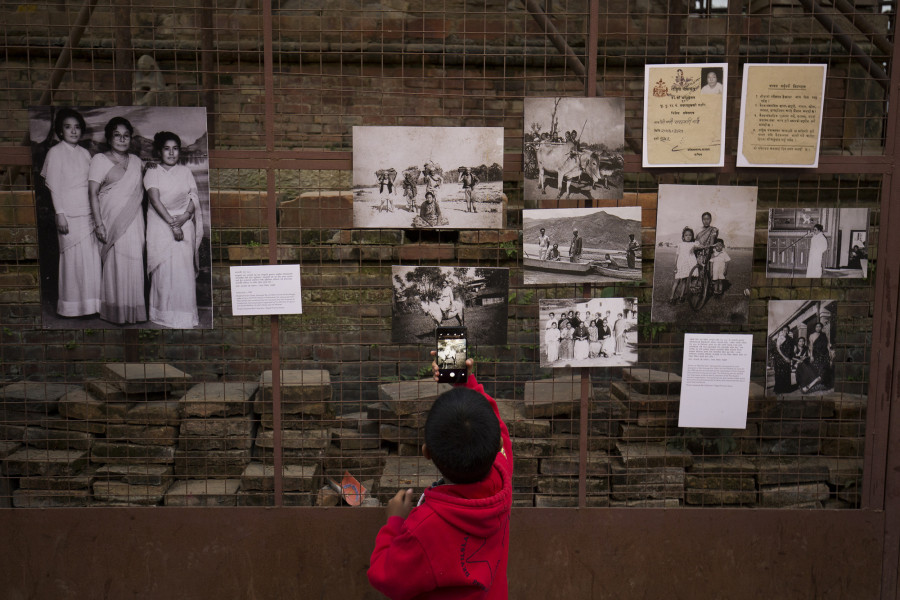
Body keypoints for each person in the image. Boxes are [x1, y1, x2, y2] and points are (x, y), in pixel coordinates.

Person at [368, 354, 512, 599]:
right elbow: (495, 423)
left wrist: (394, 522)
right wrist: (465, 383)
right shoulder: (502, 473)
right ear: (498, 443)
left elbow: (384, 576)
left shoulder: (424, 528)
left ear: (426, 453)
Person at [41, 108, 101, 317]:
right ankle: (72, 308)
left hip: (88, 214)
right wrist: (60, 213)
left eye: (77, 127)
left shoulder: (85, 154)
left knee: (90, 260)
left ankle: (92, 306)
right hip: (68, 215)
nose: (73, 131)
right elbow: (54, 186)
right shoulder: (55, 153)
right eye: (68, 127)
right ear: (60, 131)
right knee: (73, 261)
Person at [88, 116, 147, 324]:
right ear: (109, 137)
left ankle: (134, 311)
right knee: (116, 263)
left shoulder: (137, 162)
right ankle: (116, 312)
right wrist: (99, 223)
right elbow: (93, 193)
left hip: (135, 221)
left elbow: (145, 187)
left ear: (130, 138)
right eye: (117, 135)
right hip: (110, 221)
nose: (122, 140)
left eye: (126, 136)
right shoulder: (99, 160)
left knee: (134, 261)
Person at [144, 131, 202, 328]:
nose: (171, 153)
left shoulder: (185, 172)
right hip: (162, 225)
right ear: (159, 152)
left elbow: (193, 197)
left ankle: (184, 316)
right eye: (166, 149)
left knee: (182, 272)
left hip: (184, 223)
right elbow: (154, 199)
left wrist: (184, 218)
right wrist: (172, 224)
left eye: (175, 149)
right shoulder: (152, 171)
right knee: (165, 273)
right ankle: (163, 315)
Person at [669, 227, 698, 304]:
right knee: (677, 281)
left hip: (688, 265)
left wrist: (695, 247)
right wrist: (675, 265)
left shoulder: (693, 244)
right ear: (683, 237)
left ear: (692, 236)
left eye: (690, 235)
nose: (688, 237)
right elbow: (677, 256)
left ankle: (681, 296)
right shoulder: (680, 245)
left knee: (684, 281)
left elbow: (700, 245)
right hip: (680, 264)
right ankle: (671, 297)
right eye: (686, 235)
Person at [803, 322, 833, 393]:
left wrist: (830, 354)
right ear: (815, 328)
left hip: (825, 356)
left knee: (824, 370)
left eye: (819, 326)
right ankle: (810, 385)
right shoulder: (812, 335)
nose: (818, 328)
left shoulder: (824, 335)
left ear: (821, 328)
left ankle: (817, 385)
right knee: (817, 370)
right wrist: (811, 356)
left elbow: (828, 346)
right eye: (817, 326)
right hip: (816, 355)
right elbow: (811, 347)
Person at [771, 326, 794, 394]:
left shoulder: (790, 339)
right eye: (784, 330)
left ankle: (786, 389)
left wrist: (789, 358)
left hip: (787, 358)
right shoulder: (780, 338)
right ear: (782, 331)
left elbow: (792, 349)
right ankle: (779, 390)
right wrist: (785, 358)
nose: (785, 332)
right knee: (779, 373)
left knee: (786, 373)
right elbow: (778, 349)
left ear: (788, 331)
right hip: (780, 358)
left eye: (787, 330)